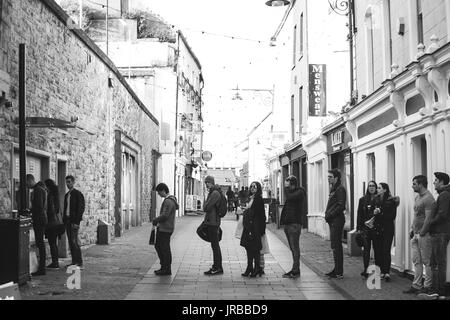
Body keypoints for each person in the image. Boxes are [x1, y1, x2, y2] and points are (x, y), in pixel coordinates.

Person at [419, 172, 450, 300]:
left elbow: (442, 214)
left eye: (436, 180)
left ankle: (438, 292)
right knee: (436, 262)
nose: (434, 182)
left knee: (438, 263)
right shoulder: (444, 195)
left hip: (440, 233)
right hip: (439, 232)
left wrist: (430, 223)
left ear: (442, 181)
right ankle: (438, 291)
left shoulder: (444, 195)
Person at [403, 175, 435, 294]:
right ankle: (416, 285)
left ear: (421, 184)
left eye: (414, 184)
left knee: (427, 261)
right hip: (415, 234)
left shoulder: (428, 198)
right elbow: (416, 215)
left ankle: (427, 287)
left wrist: (422, 232)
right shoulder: (417, 197)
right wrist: (412, 229)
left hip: (424, 235)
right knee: (416, 261)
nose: (412, 186)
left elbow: (428, 218)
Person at [280, 175, 306, 279]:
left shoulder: (300, 192)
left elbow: (290, 197)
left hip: (295, 224)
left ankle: (295, 271)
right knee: (292, 248)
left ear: (293, 184)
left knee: (295, 248)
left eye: (288, 183)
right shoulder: (292, 192)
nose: (286, 185)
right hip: (289, 223)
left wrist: (286, 188)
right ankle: (295, 269)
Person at [240, 181, 266, 278]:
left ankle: (256, 268)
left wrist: (262, 229)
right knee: (248, 247)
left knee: (255, 248)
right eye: (251, 186)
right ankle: (250, 267)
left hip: (255, 226)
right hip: (248, 225)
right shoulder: (251, 198)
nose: (252, 188)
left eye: (254, 187)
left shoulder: (258, 199)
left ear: (258, 188)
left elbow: (261, 215)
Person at [152, 183, 179, 276]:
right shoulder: (171, 200)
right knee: (161, 247)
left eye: (159, 192)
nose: (159, 195)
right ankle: (165, 267)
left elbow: (165, 215)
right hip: (167, 227)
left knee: (163, 248)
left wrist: (156, 219)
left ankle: (166, 268)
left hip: (165, 228)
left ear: (163, 190)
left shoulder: (168, 201)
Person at [375, 183, 399, 281]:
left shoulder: (392, 201)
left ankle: (387, 272)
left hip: (388, 228)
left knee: (386, 250)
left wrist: (380, 212)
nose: (377, 189)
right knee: (380, 250)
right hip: (379, 228)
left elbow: (392, 216)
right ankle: (382, 271)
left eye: (379, 188)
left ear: (385, 190)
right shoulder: (377, 200)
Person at [325, 169, 347, 279]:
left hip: (337, 220)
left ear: (336, 178)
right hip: (333, 220)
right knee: (334, 245)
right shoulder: (334, 188)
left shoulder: (340, 189)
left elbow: (341, 205)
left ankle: (339, 272)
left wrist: (330, 215)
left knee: (336, 246)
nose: (328, 178)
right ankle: (337, 269)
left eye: (330, 177)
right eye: (328, 177)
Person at [356, 181, 380, 279]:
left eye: (373, 186)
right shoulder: (362, 199)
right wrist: (358, 228)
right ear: (367, 188)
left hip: (376, 228)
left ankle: (377, 271)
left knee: (377, 249)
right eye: (370, 186)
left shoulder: (379, 199)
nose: (371, 188)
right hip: (365, 229)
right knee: (366, 250)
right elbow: (359, 215)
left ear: (376, 187)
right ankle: (366, 269)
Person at [27, 174, 48, 276]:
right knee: (40, 243)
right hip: (41, 218)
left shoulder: (38, 190)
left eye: (27, 183)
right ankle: (42, 267)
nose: (27, 185)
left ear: (30, 180)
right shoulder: (40, 189)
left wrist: (30, 211)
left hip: (39, 219)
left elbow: (39, 206)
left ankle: (42, 268)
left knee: (40, 243)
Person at [203, 176, 223, 275]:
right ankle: (217, 266)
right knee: (214, 245)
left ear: (212, 182)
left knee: (215, 246)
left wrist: (206, 204)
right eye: (205, 182)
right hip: (212, 221)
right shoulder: (213, 192)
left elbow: (206, 207)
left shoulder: (214, 193)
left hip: (213, 222)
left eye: (208, 182)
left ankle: (217, 267)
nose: (206, 184)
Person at [63, 175, 85, 269]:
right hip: (67, 220)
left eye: (69, 182)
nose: (68, 184)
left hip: (74, 221)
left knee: (74, 241)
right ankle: (74, 261)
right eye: (66, 182)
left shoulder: (77, 194)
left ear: (73, 182)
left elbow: (80, 208)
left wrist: (77, 221)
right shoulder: (67, 195)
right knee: (71, 242)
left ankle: (79, 262)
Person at [44, 179, 63, 269]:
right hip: (56, 222)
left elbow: (51, 210)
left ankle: (55, 262)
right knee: (53, 243)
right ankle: (55, 262)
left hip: (51, 223)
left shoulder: (50, 196)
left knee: (52, 243)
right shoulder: (56, 195)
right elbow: (57, 209)